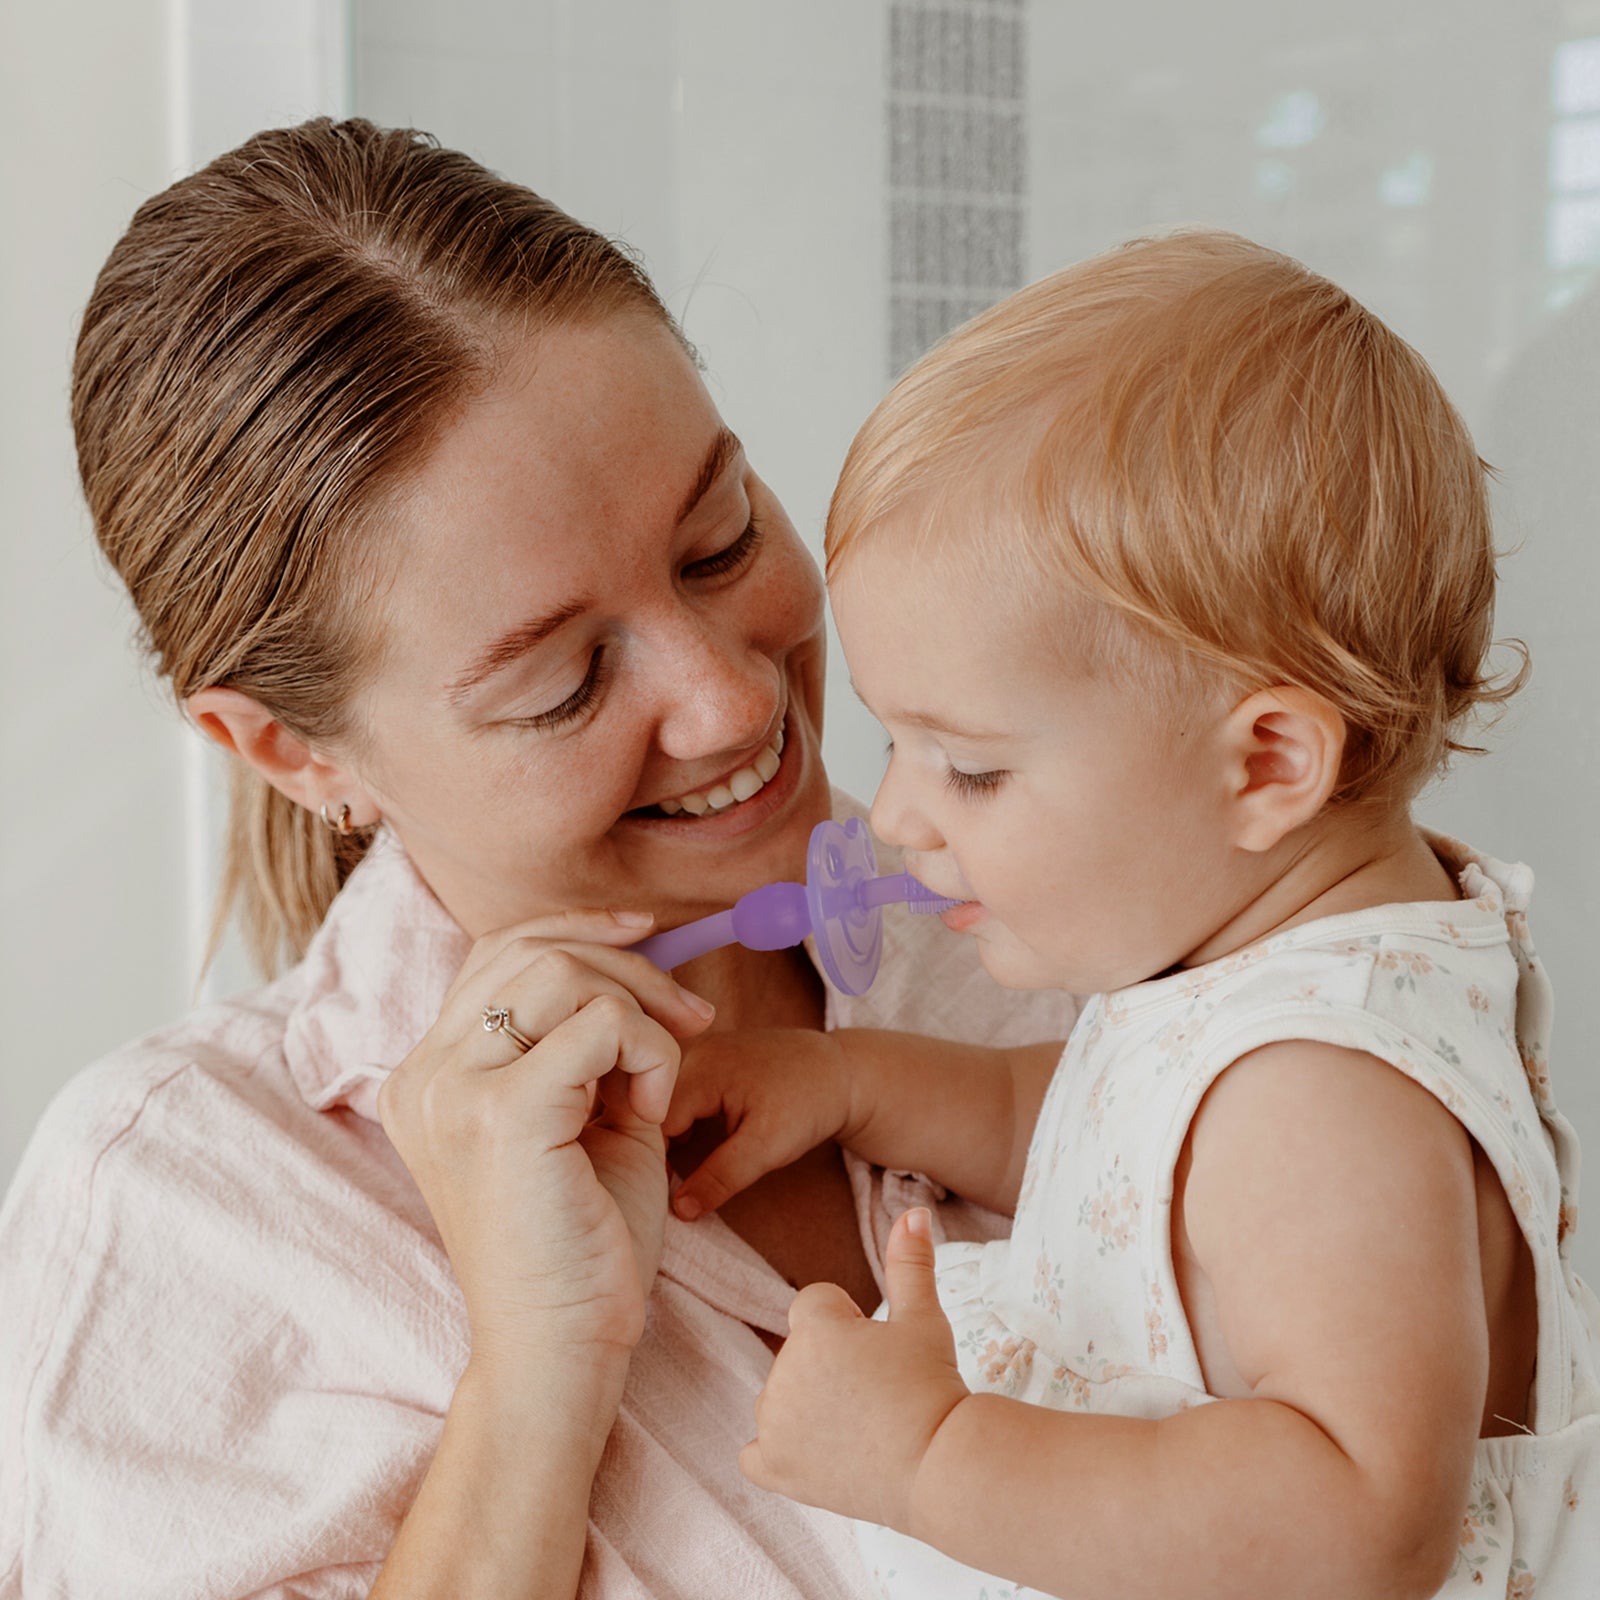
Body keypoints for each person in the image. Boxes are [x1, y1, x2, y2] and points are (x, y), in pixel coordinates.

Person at [0, 118, 1076, 1599]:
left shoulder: (1098, 896)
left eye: (718, 541)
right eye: (564, 683)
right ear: (295, 754)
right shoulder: (194, 1198)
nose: (733, 700)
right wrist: (537, 1373)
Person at [667, 231, 1600, 1597]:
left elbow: (1359, 1523)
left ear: (1266, 767)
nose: (899, 814)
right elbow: (1095, 1143)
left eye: (970, 766)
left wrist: (928, 1459)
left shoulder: (1323, 1090)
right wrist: (848, 1082)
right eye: (896, 743)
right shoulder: (1264, 984)